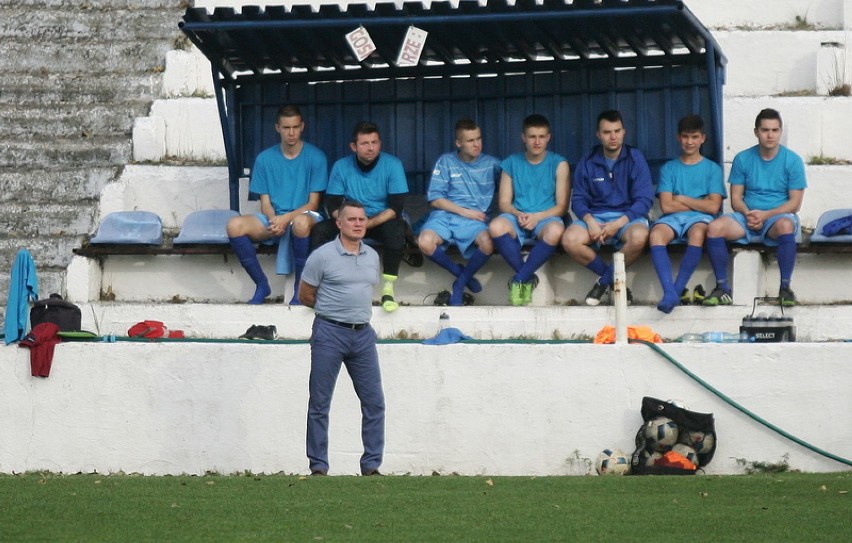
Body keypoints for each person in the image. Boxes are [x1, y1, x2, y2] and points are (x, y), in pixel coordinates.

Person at [299, 201, 385, 477]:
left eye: (362, 219)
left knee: (374, 402)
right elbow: (305, 294)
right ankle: (318, 466)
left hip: (363, 334)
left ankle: (371, 465)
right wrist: (333, 313)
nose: (358, 224)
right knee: (320, 403)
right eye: (352, 219)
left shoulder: (372, 255)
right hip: (329, 333)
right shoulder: (321, 256)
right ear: (339, 223)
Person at [702, 108, 807, 307]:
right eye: (765, 130)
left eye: (775, 130)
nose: (770, 135)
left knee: (786, 225)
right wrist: (748, 213)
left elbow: (794, 204)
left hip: (777, 216)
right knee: (714, 228)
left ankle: (785, 288)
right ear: (756, 132)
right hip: (747, 215)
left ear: (780, 132)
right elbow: (736, 198)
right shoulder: (743, 158)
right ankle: (722, 287)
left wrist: (766, 215)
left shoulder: (792, 161)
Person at [226, 105, 328, 305]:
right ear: (277, 128)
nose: (291, 133)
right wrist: (274, 221)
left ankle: (300, 288)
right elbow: (265, 202)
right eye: (286, 127)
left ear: (302, 127)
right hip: (275, 217)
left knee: (299, 222)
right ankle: (262, 285)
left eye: (295, 127)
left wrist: (285, 219)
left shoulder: (316, 157)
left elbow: (313, 203)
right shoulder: (264, 159)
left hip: (305, 215)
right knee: (233, 225)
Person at [311, 122, 409, 312]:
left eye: (375, 142)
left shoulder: (393, 165)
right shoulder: (341, 166)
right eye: (365, 143)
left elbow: (396, 207)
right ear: (353, 146)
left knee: (396, 230)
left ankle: (388, 290)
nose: (371, 147)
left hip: (379, 220)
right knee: (319, 231)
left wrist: (367, 223)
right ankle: (319, 286)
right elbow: (332, 204)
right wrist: (349, 224)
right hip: (349, 220)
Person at [562, 109, 654, 306]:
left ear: (624, 132)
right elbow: (578, 199)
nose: (613, 136)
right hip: (595, 217)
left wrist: (618, 223)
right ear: (598, 135)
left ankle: (602, 283)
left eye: (617, 131)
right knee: (570, 239)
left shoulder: (635, 158)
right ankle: (612, 279)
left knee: (639, 237)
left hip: (627, 218)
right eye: (607, 132)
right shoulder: (587, 161)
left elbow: (644, 200)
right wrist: (590, 221)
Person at [418, 119, 502, 306]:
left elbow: (513, 182)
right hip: (445, 216)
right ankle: (460, 273)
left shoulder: (492, 164)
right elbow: (435, 199)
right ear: (458, 143)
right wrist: (464, 212)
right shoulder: (446, 161)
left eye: (479, 138)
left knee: (488, 243)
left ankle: (460, 282)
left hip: (475, 221)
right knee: (424, 242)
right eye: (470, 140)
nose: (477, 144)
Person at [488, 114, 570, 306]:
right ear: (523, 137)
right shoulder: (511, 162)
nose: (537, 141)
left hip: (546, 216)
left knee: (556, 231)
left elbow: (562, 206)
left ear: (548, 137)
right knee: (495, 226)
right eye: (532, 136)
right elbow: (504, 203)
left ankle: (519, 279)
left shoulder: (559, 163)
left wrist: (537, 217)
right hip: (519, 216)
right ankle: (528, 276)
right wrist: (518, 214)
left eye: (541, 136)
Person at [650, 115, 726, 313]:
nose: (690, 142)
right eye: (685, 137)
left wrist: (681, 198)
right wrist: (699, 203)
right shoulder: (669, 168)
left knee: (698, 232)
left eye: (694, 137)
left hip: (699, 220)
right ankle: (670, 291)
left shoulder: (712, 169)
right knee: (656, 234)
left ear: (703, 138)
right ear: (678, 138)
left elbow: (713, 207)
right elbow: (666, 206)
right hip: (672, 218)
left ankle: (675, 289)